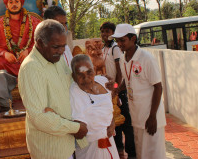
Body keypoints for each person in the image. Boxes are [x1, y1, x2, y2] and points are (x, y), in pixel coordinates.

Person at [18, 19, 88, 159]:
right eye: (56, 47)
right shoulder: (31, 68)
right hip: (50, 150)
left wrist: (100, 83)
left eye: (63, 46)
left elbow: (70, 82)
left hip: (66, 143)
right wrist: (75, 128)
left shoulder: (56, 57)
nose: (62, 51)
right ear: (39, 43)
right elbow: (39, 117)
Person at [111, 24, 166, 159]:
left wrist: (152, 116)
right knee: (142, 153)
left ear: (133, 39)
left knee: (155, 154)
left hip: (151, 117)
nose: (119, 44)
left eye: (122, 40)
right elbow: (127, 80)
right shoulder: (124, 59)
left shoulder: (147, 59)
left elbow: (158, 87)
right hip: (136, 116)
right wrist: (117, 89)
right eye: (117, 41)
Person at [68, 54, 119, 159]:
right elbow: (80, 130)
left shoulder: (102, 81)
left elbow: (116, 87)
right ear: (73, 77)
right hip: (90, 149)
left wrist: (114, 85)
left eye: (89, 72)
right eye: (80, 74)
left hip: (110, 143)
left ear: (94, 70)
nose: (86, 78)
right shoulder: (73, 92)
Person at [100, 21, 136, 158]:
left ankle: (131, 153)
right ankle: (119, 150)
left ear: (113, 34)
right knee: (115, 122)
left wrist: (116, 87)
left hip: (118, 89)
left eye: (108, 32)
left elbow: (119, 71)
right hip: (110, 90)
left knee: (126, 122)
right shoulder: (104, 48)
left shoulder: (115, 48)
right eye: (103, 31)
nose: (104, 34)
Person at [0, 0, 41, 76]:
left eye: (17, 1)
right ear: (6, 5)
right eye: (11, 2)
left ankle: (21, 74)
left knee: (39, 60)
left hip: (29, 59)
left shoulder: (33, 21)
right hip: (10, 63)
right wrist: (5, 54)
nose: (14, 5)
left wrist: (29, 51)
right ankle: (21, 75)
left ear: (21, 3)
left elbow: (42, 40)